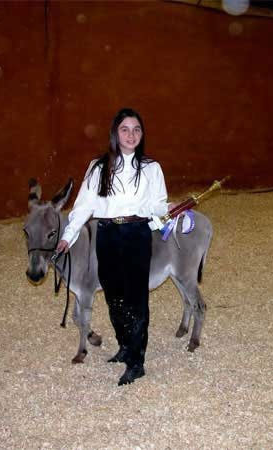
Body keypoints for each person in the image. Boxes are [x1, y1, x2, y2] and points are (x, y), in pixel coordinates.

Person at [56, 108, 169, 386]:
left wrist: (170, 209)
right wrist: (68, 237)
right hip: (106, 235)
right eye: (125, 129)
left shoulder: (152, 168)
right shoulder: (98, 168)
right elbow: (84, 206)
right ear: (115, 133)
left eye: (137, 130)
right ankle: (124, 344)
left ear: (142, 135)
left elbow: (157, 205)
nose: (131, 135)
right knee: (113, 297)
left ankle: (136, 361)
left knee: (136, 299)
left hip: (136, 234)